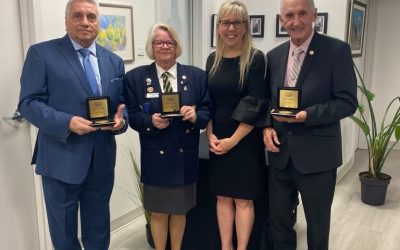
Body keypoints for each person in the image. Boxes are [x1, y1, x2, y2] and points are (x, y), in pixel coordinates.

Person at [18, 0, 126, 249]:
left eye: (91, 16)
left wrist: (120, 122)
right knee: (64, 235)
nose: (85, 22)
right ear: (66, 21)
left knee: (98, 229)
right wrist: (67, 122)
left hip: (101, 159)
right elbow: (28, 103)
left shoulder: (113, 61)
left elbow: (122, 106)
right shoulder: (42, 53)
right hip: (60, 159)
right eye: (77, 16)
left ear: (98, 23)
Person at [263, 0, 358, 249]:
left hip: (318, 158)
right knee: (279, 222)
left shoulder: (336, 51)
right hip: (280, 155)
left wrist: (307, 115)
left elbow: (347, 102)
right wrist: (267, 127)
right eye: (290, 15)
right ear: (282, 20)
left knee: (317, 226)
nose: (296, 21)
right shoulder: (273, 57)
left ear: (314, 15)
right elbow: (266, 101)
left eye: (302, 13)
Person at [124, 23, 212, 250]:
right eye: (159, 42)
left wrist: (195, 116)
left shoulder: (196, 76)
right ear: (151, 47)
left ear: (176, 45)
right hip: (156, 155)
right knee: (160, 213)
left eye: (169, 42)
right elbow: (132, 116)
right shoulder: (135, 78)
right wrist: (150, 121)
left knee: (180, 212)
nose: (164, 46)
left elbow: (207, 110)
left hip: (184, 155)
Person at [206, 1, 269, 249]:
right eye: (225, 22)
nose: (230, 28)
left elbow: (256, 104)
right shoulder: (213, 59)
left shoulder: (255, 59)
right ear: (218, 27)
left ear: (245, 27)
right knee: (222, 197)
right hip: (218, 137)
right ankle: (226, 246)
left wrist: (232, 141)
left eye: (237, 22)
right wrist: (210, 135)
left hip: (243, 138)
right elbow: (207, 101)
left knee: (243, 199)